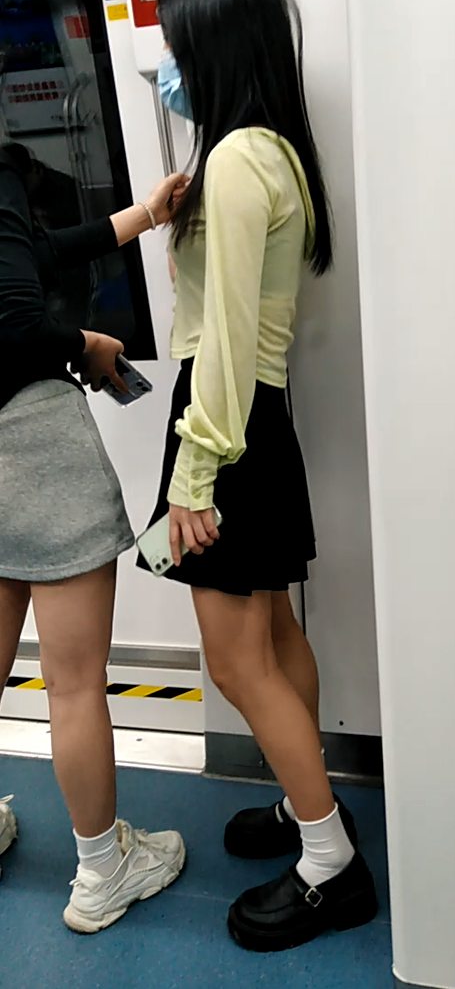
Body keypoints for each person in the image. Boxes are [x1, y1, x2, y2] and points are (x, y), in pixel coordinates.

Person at [141, 0, 378, 952]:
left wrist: (193, 476)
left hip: (224, 422)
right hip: (255, 420)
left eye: (176, 46)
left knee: (237, 663)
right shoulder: (273, 152)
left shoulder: (239, 158)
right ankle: (304, 796)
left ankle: (330, 862)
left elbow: (226, 340)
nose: (168, 66)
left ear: (214, 50)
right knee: (273, 634)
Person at [0, 147, 188, 932]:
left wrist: (143, 215)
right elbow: (16, 327)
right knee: (74, 684)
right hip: (34, 446)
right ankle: (104, 870)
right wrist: (84, 344)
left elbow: (36, 252)